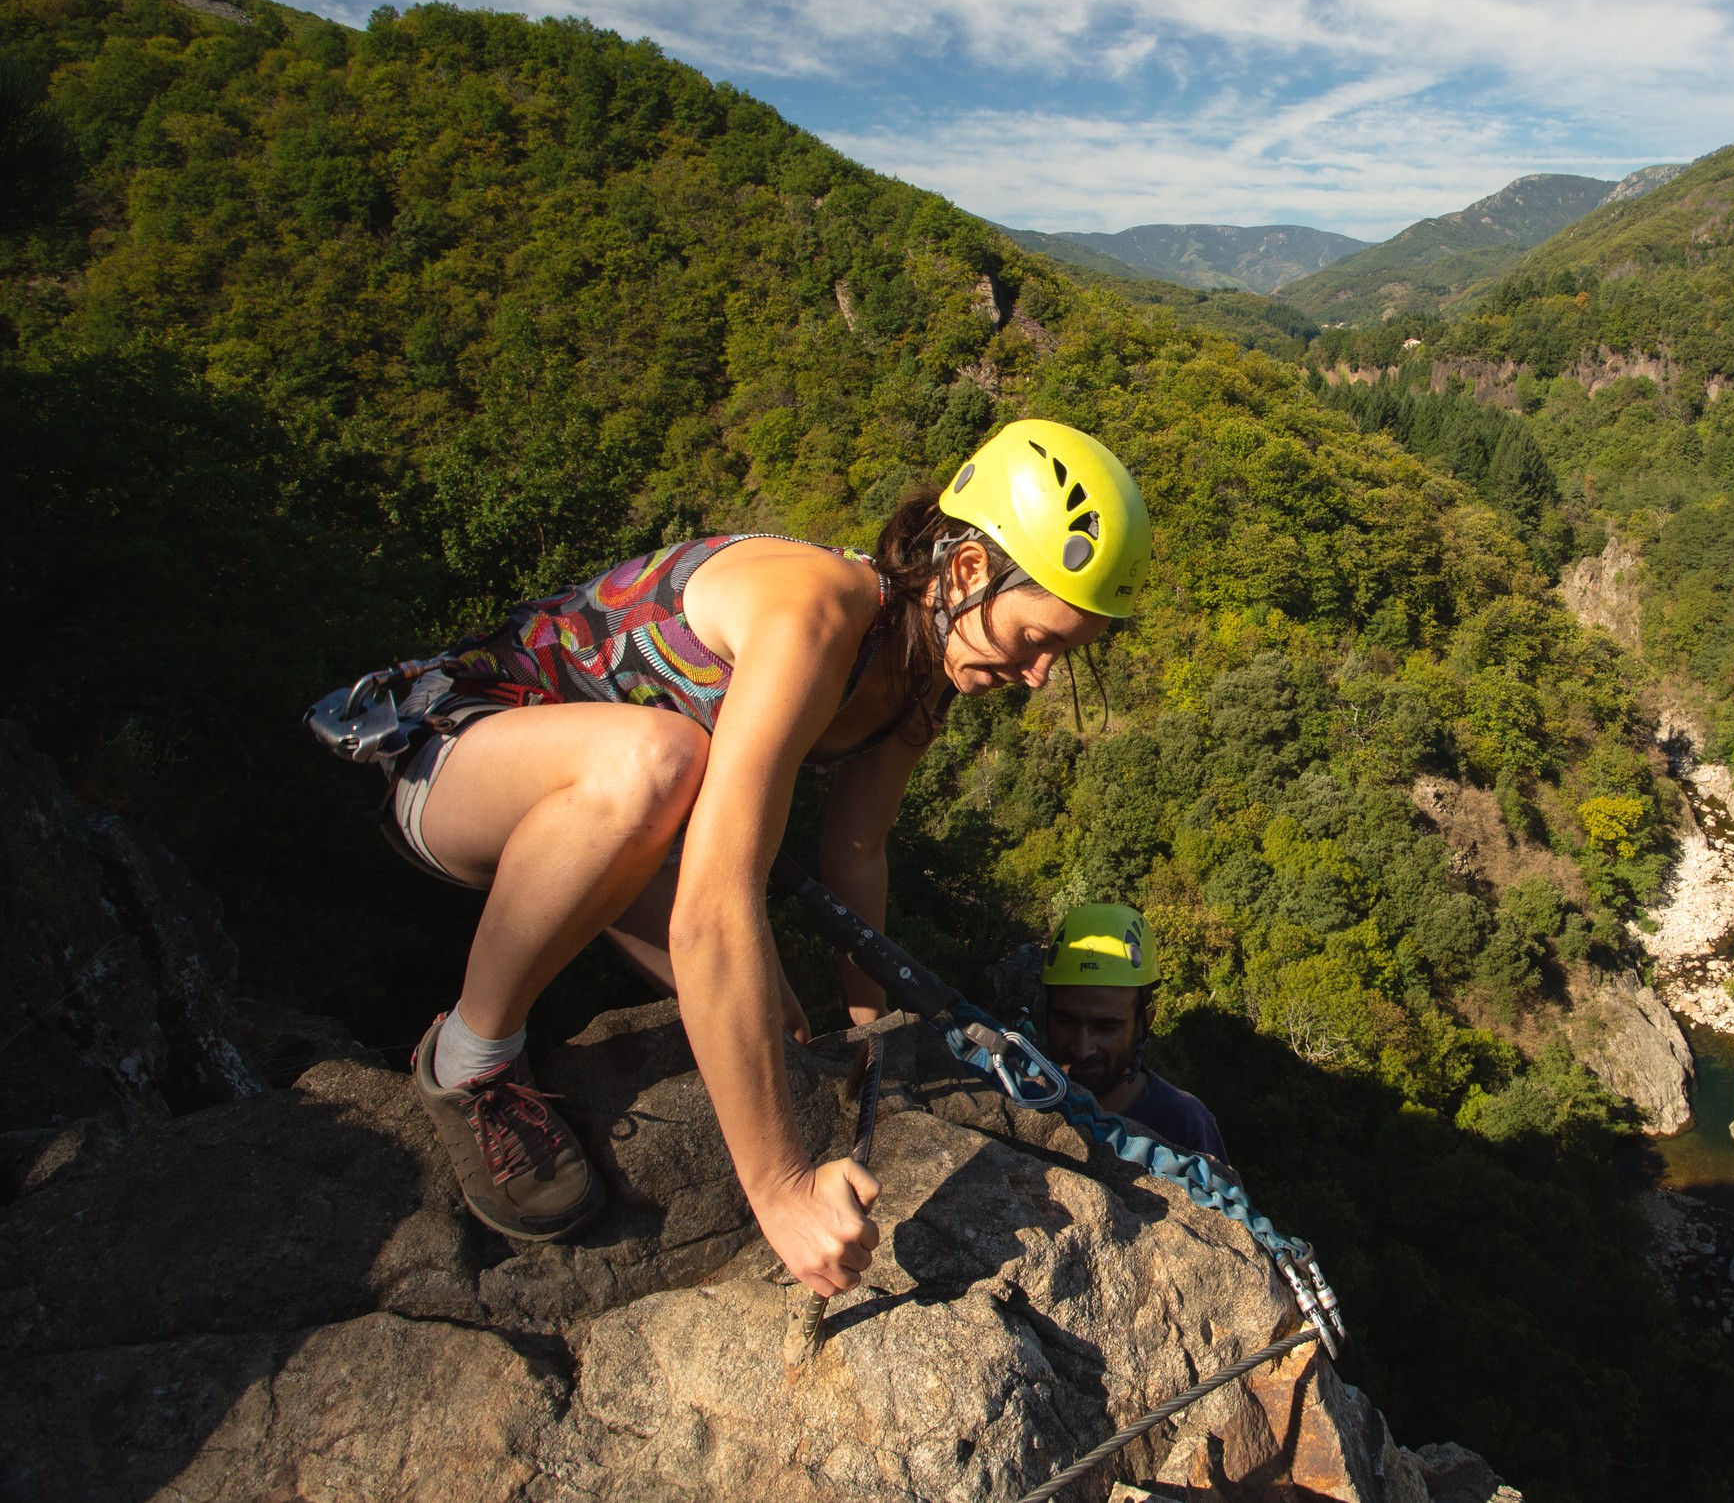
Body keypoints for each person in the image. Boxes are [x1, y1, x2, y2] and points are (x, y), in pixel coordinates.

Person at [366, 419, 1150, 1298]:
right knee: (661, 762)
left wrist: (875, 1039)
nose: (1041, 675)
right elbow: (713, 905)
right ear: (967, 569)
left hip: (603, 835)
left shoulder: (926, 670)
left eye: (1063, 654)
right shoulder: (817, 612)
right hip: (454, 760)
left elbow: (855, 851)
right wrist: (779, 1188)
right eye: (1038, 639)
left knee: (770, 1034)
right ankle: (468, 1058)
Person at [1040, 904, 1226, 1163]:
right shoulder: (1023, 1095)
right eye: (1065, 1020)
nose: (1082, 1049)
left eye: (1107, 1026)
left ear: (1144, 1024)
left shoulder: (1184, 1124)